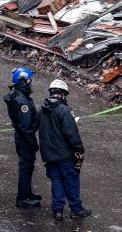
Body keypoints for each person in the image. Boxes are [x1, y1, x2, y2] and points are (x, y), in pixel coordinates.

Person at [38, 79, 91, 221]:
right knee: (71, 181)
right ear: (62, 94)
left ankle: (58, 211)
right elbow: (71, 134)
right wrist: (80, 150)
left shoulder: (42, 109)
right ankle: (76, 210)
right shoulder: (64, 110)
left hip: (49, 155)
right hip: (65, 155)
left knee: (56, 181)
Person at [3, 67, 41, 209]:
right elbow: (26, 126)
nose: (31, 84)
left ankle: (27, 192)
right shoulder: (22, 102)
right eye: (30, 81)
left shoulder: (18, 95)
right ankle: (22, 198)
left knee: (28, 166)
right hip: (25, 139)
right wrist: (33, 142)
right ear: (24, 81)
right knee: (26, 167)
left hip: (22, 137)